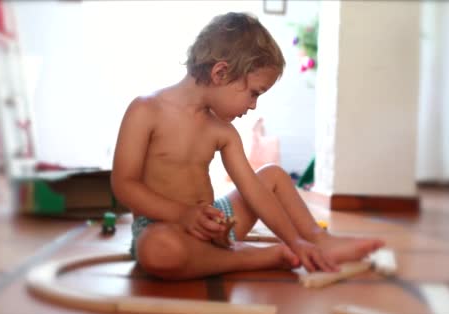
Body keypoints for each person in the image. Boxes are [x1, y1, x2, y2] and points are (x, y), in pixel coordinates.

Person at [111, 12, 384, 280]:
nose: (253, 105)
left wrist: (294, 241)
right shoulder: (145, 111)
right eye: (254, 93)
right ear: (221, 73)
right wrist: (183, 215)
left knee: (273, 176)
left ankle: (315, 239)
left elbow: (253, 190)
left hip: (217, 226)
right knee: (158, 250)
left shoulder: (222, 130)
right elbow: (124, 184)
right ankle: (251, 257)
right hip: (163, 226)